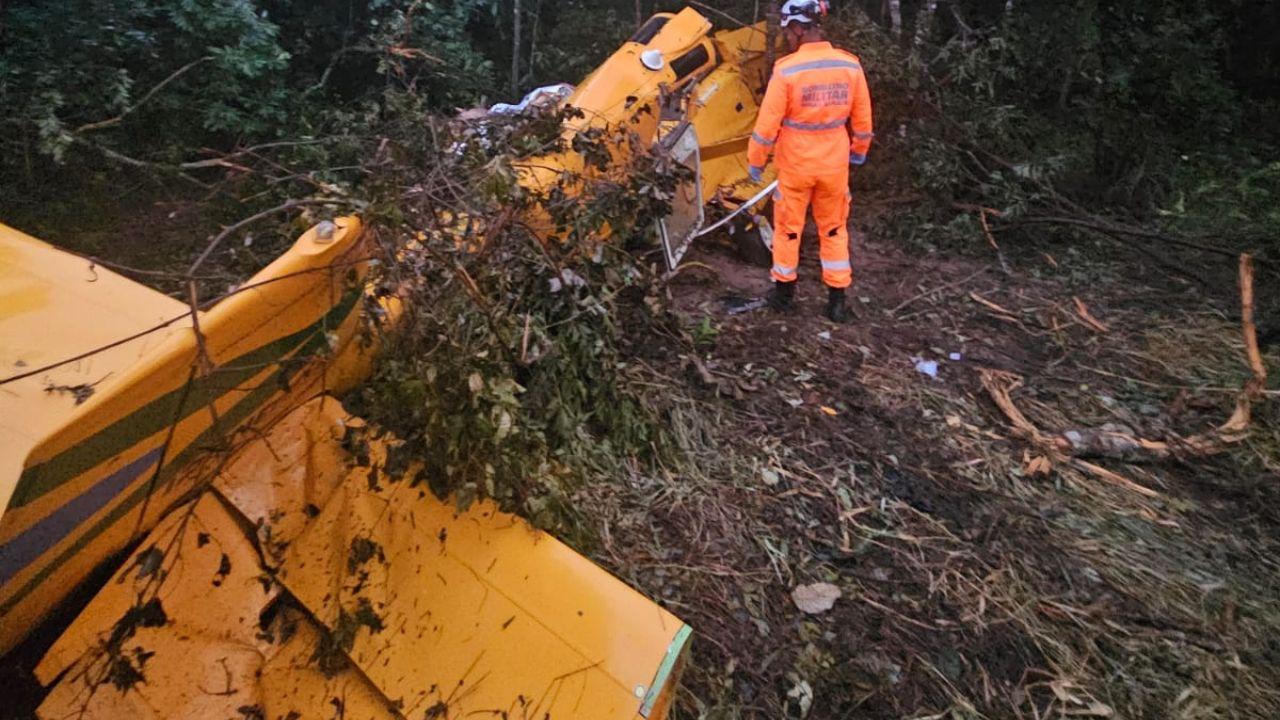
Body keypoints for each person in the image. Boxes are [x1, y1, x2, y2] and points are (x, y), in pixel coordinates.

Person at [747, 0, 874, 322]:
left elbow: (766, 127)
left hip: (796, 166)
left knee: (789, 229)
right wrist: (859, 151)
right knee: (833, 228)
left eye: (789, 30)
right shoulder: (850, 66)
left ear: (799, 28)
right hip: (833, 165)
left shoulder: (788, 70)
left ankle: (784, 296)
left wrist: (756, 162)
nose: (788, 37)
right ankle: (836, 301)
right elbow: (862, 119)